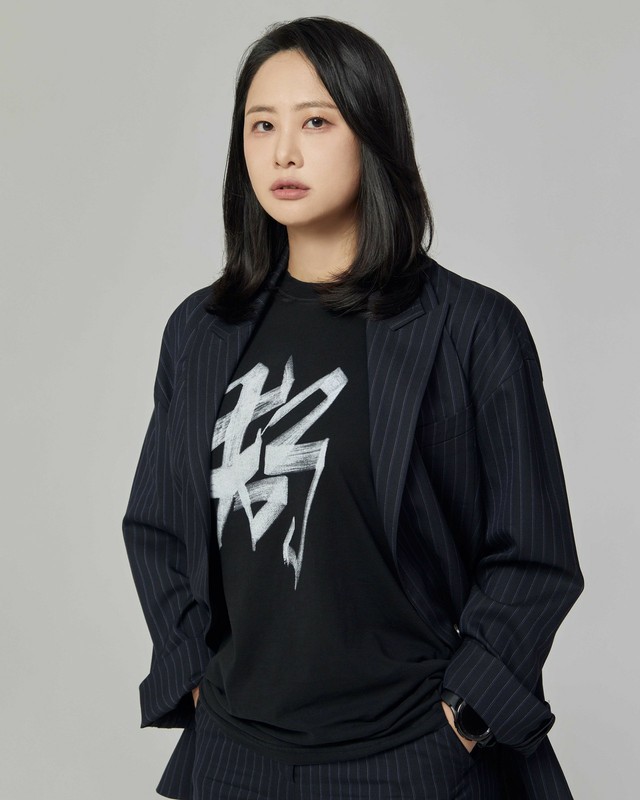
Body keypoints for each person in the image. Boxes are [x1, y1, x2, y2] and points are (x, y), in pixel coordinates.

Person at [122, 16, 584, 800]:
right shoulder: (199, 331)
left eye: (315, 122)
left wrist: (465, 719)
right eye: (261, 125)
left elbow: (532, 555)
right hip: (235, 757)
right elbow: (159, 526)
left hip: (412, 757)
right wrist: (192, 678)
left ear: (373, 133)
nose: (283, 152)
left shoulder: (472, 329)